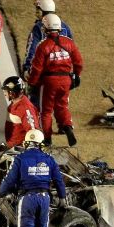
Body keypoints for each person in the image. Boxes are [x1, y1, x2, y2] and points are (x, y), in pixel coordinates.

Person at [0, 129, 67, 227]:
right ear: (41, 144)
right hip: (44, 198)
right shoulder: (49, 159)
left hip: (27, 199)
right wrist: (62, 198)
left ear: (26, 143)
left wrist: (1, 193)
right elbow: (59, 180)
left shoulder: (20, 159)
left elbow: (9, 180)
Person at [28, 13, 84, 146]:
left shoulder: (43, 46)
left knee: (46, 111)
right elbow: (79, 62)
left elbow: (37, 68)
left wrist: (32, 83)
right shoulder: (69, 43)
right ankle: (68, 127)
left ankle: (47, 138)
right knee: (62, 106)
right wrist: (76, 75)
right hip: (66, 80)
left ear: (46, 28)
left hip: (49, 81)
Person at [22, 0, 73, 78]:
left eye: (38, 11)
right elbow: (72, 50)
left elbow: (31, 49)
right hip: (64, 74)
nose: (36, 14)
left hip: (45, 74)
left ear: (44, 12)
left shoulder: (38, 27)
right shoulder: (66, 27)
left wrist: (27, 67)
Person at [2, 75, 40, 148]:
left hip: (20, 147)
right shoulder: (14, 104)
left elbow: (33, 130)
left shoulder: (25, 108)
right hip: (12, 144)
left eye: (6, 91)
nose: (4, 93)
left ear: (13, 92)